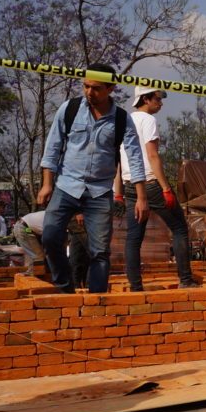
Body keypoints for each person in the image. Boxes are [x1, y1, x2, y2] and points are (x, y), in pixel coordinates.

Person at [38, 67, 148, 293]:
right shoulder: (69, 109)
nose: (89, 92)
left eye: (96, 88)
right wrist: (47, 184)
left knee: (99, 252)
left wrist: (141, 197)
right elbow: (53, 147)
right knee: (50, 237)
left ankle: (97, 300)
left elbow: (135, 157)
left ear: (110, 89)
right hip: (66, 186)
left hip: (99, 193)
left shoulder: (121, 119)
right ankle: (64, 288)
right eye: (86, 86)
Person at [117, 85, 197, 290]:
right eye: (158, 99)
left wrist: (118, 192)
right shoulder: (148, 120)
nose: (160, 103)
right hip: (151, 184)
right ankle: (186, 280)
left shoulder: (123, 120)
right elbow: (152, 155)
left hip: (130, 186)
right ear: (145, 99)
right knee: (179, 228)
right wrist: (166, 188)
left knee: (134, 238)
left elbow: (117, 160)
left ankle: (135, 287)